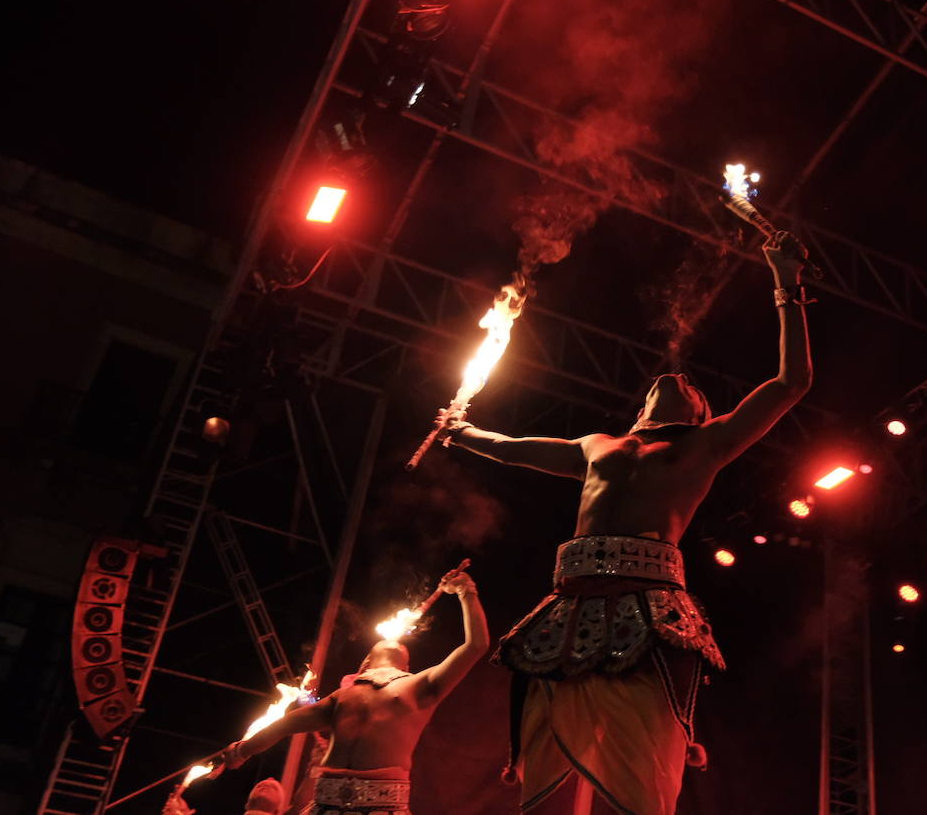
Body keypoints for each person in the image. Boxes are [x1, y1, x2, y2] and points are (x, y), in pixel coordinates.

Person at [440, 231, 812, 814]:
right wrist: (460, 432)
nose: (682, 380)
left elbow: (792, 384)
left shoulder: (707, 446)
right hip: (569, 604)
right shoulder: (595, 444)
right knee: (543, 764)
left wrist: (786, 285)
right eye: (674, 382)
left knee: (641, 766)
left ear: (701, 417)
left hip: (649, 605)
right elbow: (512, 449)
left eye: (696, 389)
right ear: (640, 410)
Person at [221, 565, 488, 815]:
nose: (394, 643)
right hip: (325, 806)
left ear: (407, 666)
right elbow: (282, 725)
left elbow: (476, 645)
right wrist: (243, 751)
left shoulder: (418, 686)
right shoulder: (341, 697)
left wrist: (466, 591)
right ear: (364, 664)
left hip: (383, 808)